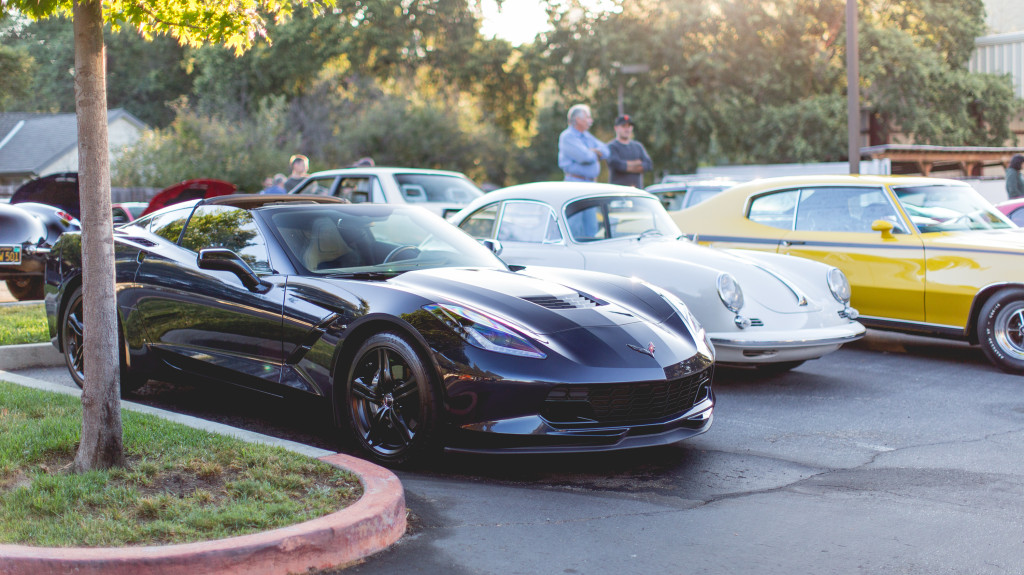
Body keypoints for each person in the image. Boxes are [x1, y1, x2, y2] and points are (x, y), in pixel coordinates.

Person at [558, 104, 609, 182]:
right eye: (588, 117)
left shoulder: (587, 135)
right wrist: (595, 153)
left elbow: (606, 151)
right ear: (578, 119)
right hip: (575, 182)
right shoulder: (567, 136)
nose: (591, 121)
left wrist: (590, 151)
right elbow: (585, 157)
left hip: (591, 182)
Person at [606, 114, 653, 188]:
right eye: (623, 126)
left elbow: (648, 165)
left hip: (636, 192)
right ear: (616, 128)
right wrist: (638, 163)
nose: (627, 129)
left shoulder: (638, 146)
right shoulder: (611, 146)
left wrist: (627, 167)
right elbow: (617, 165)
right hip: (617, 192)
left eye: (629, 126)